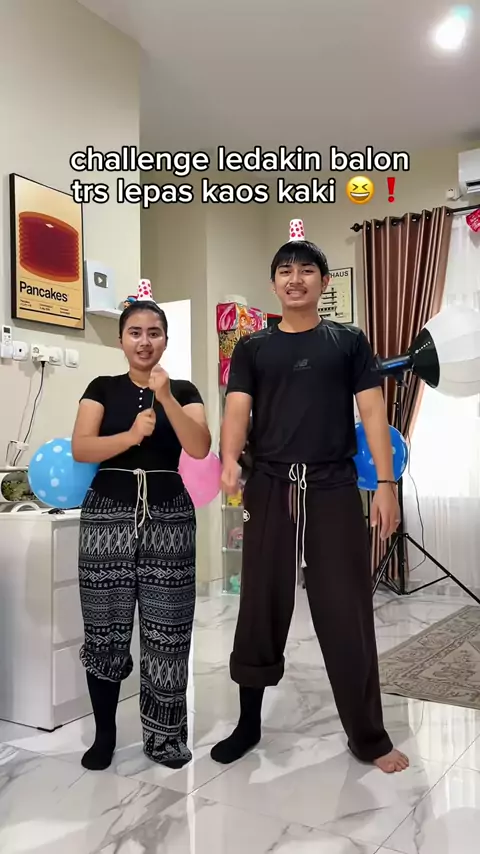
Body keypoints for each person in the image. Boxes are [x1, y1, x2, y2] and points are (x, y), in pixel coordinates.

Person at [210, 222, 409, 774]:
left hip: (332, 486)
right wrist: (229, 460)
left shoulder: (349, 341)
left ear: (323, 281)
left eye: (306, 270)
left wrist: (385, 485)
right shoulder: (252, 346)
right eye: (284, 270)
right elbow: (237, 409)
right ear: (273, 283)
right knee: (260, 604)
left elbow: (373, 412)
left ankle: (367, 736)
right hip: (271, 484)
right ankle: (248, 723)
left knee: (347, 609)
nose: (295, 279)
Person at [72, 292, 211, 771]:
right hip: (106, 516)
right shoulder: (101, 387)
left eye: (154, 333)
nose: (144, 341)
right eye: (135, 332)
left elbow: (199, 446)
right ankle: (105, 735)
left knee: (168, 631)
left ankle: (164, 737)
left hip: (170, 517)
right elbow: (81, 448)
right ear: (121, 340)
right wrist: (131, 436)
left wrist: (166, 396)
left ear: (166, 340)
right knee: (104, 628)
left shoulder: (184, 390)